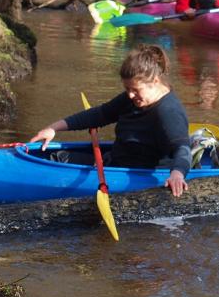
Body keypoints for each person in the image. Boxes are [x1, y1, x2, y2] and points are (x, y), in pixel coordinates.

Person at [29, 44, 191, 197]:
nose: (130, 95)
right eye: (127, 89)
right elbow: (100, 114)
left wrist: (177, 174)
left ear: (155, 81)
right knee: (58, 157)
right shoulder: (132, 99)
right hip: (113, 162)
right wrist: (53, 128)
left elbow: (182, 149)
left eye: (135, 90)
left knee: (55, 161)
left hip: (135, 176)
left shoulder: (169, 112)